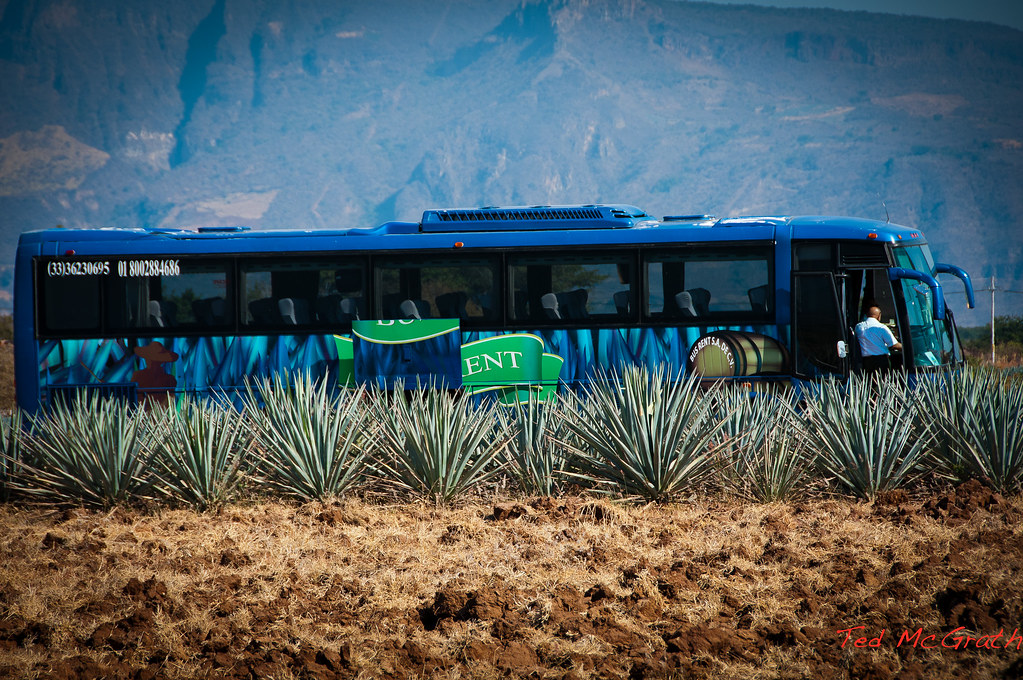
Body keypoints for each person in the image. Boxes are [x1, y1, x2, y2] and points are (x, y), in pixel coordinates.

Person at [855, 306, 902, 373]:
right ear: (879, 316)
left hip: (865, 362)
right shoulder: (881, 327)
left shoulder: (859, 327)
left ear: (867, 315)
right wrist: (908, 349)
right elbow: (894, 345)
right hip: (880, 362)